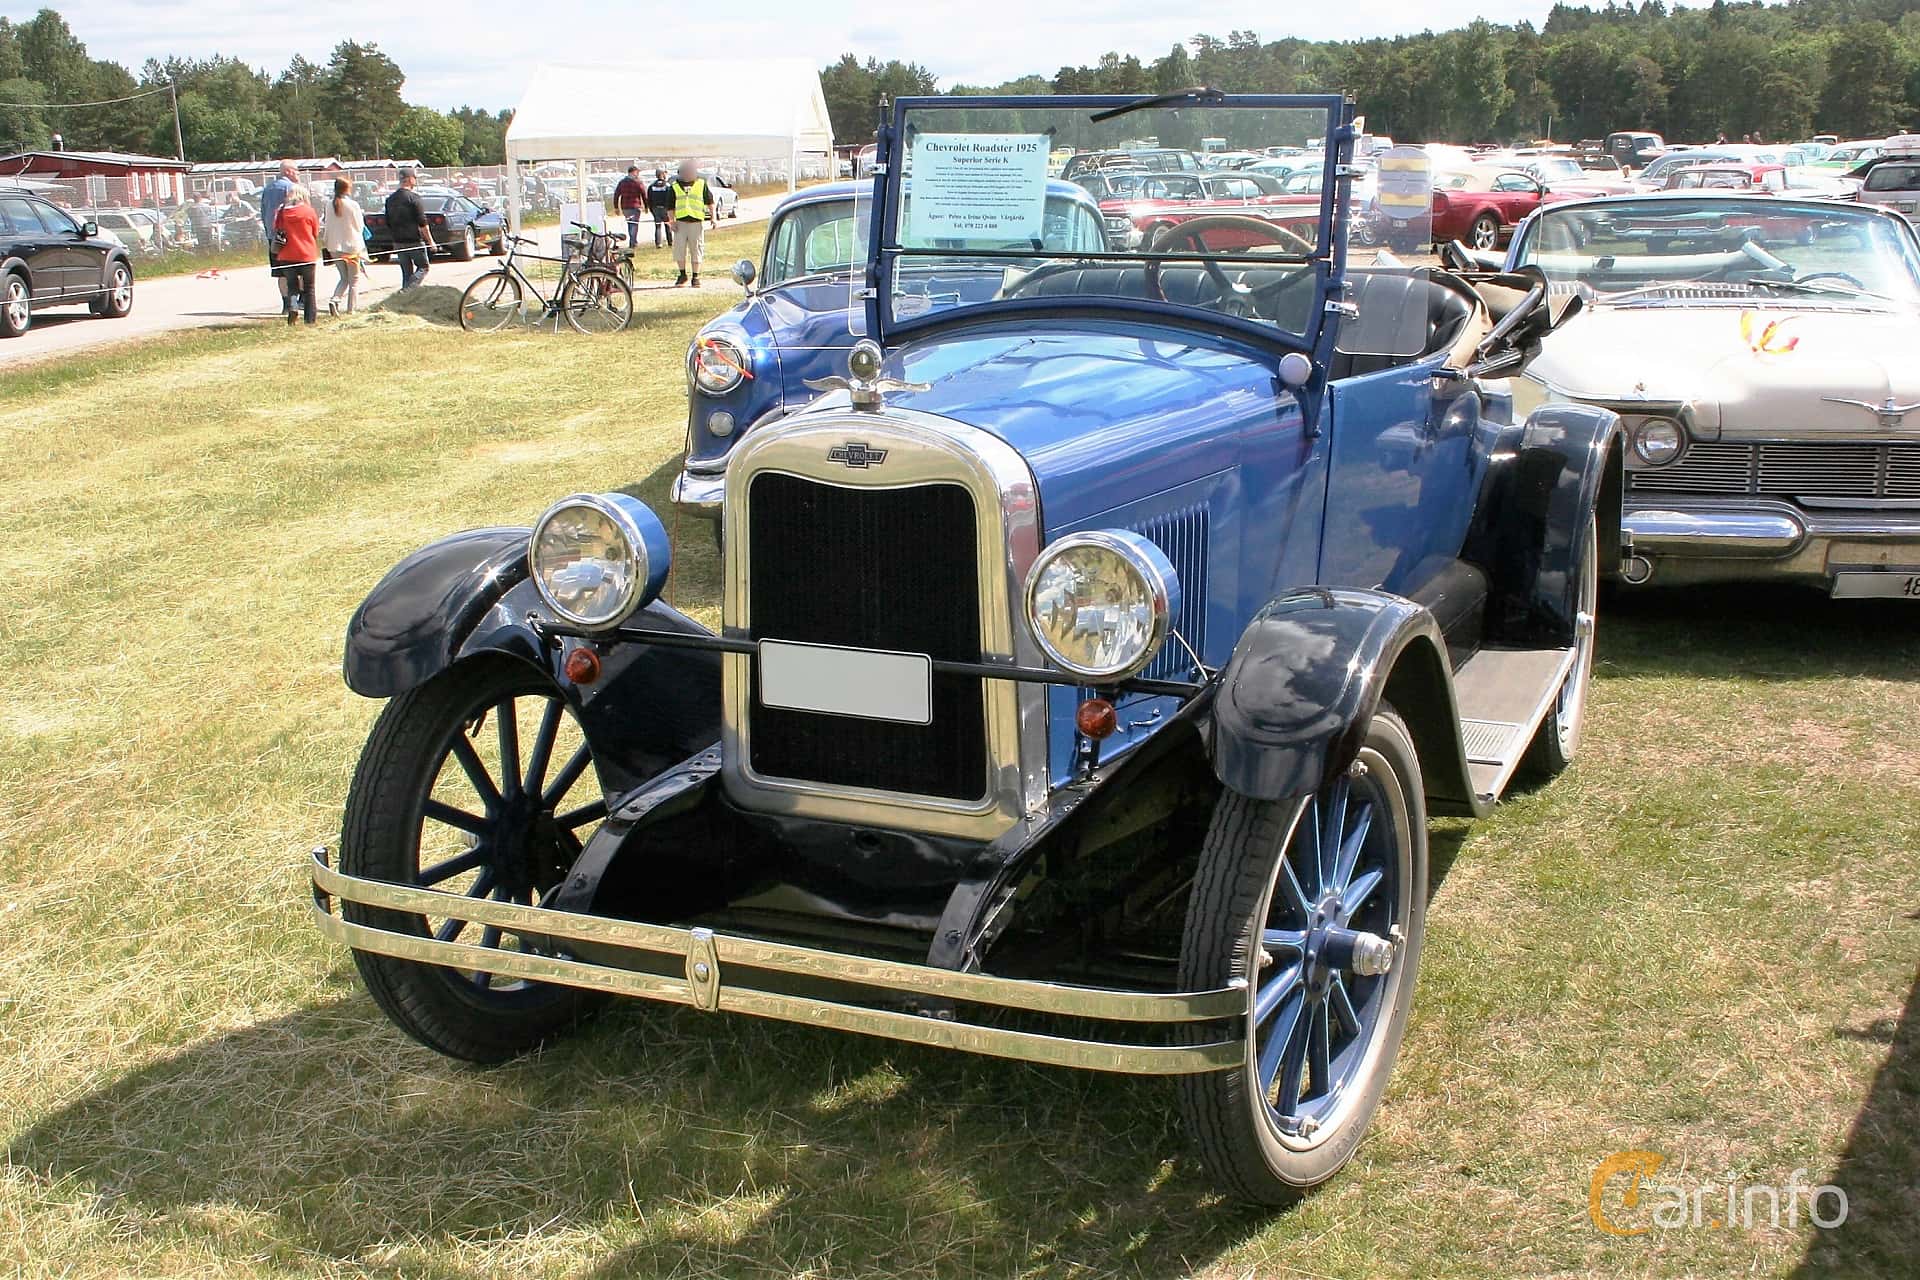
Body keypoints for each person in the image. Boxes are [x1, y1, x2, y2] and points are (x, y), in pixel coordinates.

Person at [273, 185, 321, 326]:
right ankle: (310, 320)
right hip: (306, 254)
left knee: (292, 286)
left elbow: (275, 229)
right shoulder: (309, 211)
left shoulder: (280, 211)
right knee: (309, 288)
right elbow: (315, 232)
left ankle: (293, 306)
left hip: (286, 254)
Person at [384, 170, 436, 289]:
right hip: (414, 241)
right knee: (423, 267)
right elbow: (422, 223)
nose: (415, 181)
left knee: (406, 273)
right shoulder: (414, 198)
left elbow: (388, 221)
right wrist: (431, 241)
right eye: (415, 178)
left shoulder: (390, 199)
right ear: (410, 179)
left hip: (398, 241)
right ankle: (406, 291)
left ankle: (405, 300)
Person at [260, 160, 299, 314]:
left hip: (274, 237)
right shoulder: (291, 188)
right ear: (288, 171)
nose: (298, 173)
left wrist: (269, 232)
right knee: (298, 270)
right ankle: (298, 301)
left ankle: (286, 304)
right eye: (296, 170)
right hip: (290, 236)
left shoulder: (268, 188)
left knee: (280, 272)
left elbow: (263, 212)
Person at [670, 159, 716, 287]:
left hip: (696, 222)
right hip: (680, 223)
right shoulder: (674, 187)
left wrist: (713, 218)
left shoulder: (701, 184)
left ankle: (695, 277)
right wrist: (671, 221)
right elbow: (670, 207)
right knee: (679, 250)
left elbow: (710, 202)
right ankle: (682, 274)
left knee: (696, 249)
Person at [323, 177, 365, 316]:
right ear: (347, 188)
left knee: (343, 277)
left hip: (334, 246)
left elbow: (327, 225)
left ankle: (335, 299)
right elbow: (359, 226)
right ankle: (351, 309)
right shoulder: (353, 205)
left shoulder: (329, 204)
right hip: (351, 246)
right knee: (354, 280)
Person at [613, 164, 646, 250]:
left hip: (625, 207)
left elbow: (616, 195)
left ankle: (633, 241)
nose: (638, 174)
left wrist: (616, 207)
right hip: (635, 206)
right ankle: (633, 242)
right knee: (634, 225)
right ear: (633, 172)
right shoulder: (638, 182)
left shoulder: (622, 182)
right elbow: (644, 194)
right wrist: (646, 206)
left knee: (630, 224)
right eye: (637, 172)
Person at [646, 167, 675, 248]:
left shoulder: (652, 186)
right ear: (662, 174)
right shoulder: (667, 185)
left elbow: (649, 198)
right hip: (665, 208)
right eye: (665, 173)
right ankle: (670, 242)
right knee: (667, 225)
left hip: (655, 208)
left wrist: (651, 208)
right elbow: (670, 197)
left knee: (658, 226)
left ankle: (658, 243)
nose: (666, 175)